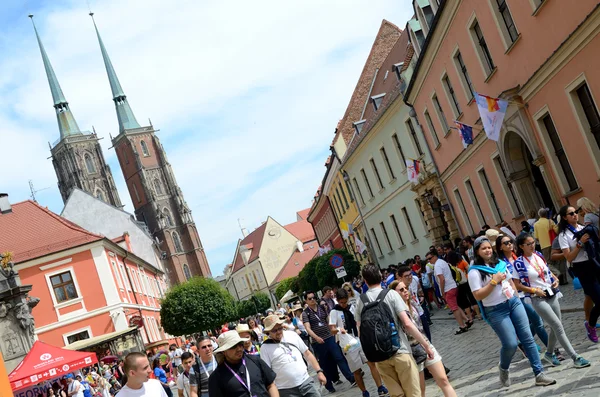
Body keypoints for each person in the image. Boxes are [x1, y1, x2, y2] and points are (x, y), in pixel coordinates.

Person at [467, 236, 556, 387]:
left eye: (489, 247)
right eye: (483, 248)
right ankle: (503, 367)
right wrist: (494, 281)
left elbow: (510, 282)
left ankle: (539, 374)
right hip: (495, 310)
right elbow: (478, 295)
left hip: (514, 303)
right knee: (511, 344)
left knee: (527, 338)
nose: (487, 250)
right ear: (477, 251)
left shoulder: (500, 264)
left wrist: (516, 297)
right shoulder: (474, 272)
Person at [512, 234, 591, 369]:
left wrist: (555, 279)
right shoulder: (518, 263)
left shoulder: (538, 255)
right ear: (521, 246)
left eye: (533, 242)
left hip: (551, 293)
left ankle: (548, 353)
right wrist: (533, 290)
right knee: (558, 326)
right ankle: (575, 357)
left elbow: (546, 270)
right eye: (528, 244)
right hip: (538, 298)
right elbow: (517, 285)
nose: (532, 245)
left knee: (556, 326)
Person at [356, 264, 433, 397]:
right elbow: (407, 324)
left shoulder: (360, 301)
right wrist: (426, 345)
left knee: (397, 395)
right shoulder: (391, 294)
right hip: (400, 351)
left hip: (380, 358)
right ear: (381, 277)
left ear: (365, 281)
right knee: (414, 394)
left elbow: (360, 331)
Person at [393, 281, 456, 397]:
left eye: (405, 288)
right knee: (420, 390)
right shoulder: (395, 311)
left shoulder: (411, 303)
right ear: (394, 294)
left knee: (443, 379)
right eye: (401, 290)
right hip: (412, 351)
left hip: (424, 343)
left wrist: (426, 344)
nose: (405, 291)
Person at [496, 234, 551, 359]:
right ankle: (552, 350)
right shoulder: (500, 263)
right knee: (538, 321)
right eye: (506, 243)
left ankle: (523, 341)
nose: (510, 244)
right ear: (500, 248)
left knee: (535, 322)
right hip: (518, 295)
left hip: (530, 292)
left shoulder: (519, 258)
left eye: (511, 241)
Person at [329, 288, 389, 397]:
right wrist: (339, 330)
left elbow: (359, 321)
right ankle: (364, 391)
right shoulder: (334, 311)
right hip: (347, 343)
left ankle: (380, 387)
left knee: (371, 363)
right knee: (356, 370)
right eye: (341, 302)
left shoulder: (352, 307)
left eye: (345, 302)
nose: (343, 305)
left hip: (359, 339)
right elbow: (332, 329)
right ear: (337, 300)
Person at [558, 204, 600, 343]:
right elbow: (569, 258)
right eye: (571, 213)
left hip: (594, 263)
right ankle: (591, 325)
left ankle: (591, 324)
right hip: (581, 267)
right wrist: (580, 243)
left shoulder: (584, 228)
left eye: (575, 212)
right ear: (564, 217)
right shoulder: (564, 235)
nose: (575, 214)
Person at [302, 290, 355, 393]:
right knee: (325, 364)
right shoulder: (306, 313)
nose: (313, 300)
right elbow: (308, 328)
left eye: (313, 297)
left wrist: (334, 329)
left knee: (339, 357)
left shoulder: (321, 308)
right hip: (318, 342)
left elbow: (328, 320)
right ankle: (329, 385)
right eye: (310, 298)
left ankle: (351, 377)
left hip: (329, 337)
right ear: (306, 301)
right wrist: (316, 337)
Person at [260, 314, 326, 397]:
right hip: (286, 391)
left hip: (306, 382)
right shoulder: (265, 347)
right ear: (268, 332)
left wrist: (319, 372)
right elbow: (267, 374)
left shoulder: (292, 335)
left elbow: (307, 354)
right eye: (274, 330)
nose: (278, 332)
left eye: (280, 328)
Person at [208, 330, 279, 397]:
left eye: (240, 344)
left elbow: (271, 385)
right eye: (233, 346)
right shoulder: (216, 377)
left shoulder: (255, 360)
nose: (239, 349)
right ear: (224, 351)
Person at [428, 250, 469, 334]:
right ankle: (467, 320)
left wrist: (442, 292)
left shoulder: (437, 266)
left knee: (454, 309)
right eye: (428, 259)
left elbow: (442, 279)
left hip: (448, 288)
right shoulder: (442, 262)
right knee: (456, 305)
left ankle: (462, 326)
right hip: (453, 285)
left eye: (430, 258)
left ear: (435, 256)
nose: (429, 261)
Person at [397, 265, 431, 342]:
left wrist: (421, 295)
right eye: (406, 276)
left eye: (410, 274)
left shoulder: (414, 279)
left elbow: (419, 287)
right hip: (412, 318)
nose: (409, 277)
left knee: (428, 338)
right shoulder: (400, 289)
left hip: (420, 312)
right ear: (400, 278)